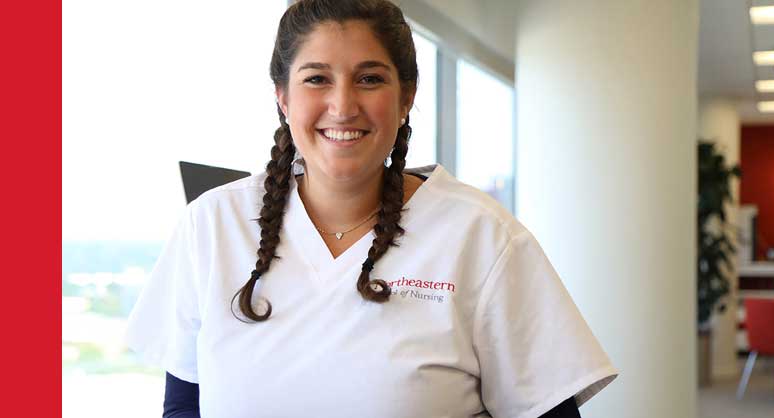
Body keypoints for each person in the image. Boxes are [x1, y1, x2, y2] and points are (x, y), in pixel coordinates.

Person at [125, 1, 617, 417]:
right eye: (317, 78)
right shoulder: (212, 225)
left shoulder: (483, 238)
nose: (342, 106)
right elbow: (184, 408)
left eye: (369, 79)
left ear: (406, 97)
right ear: (282, 97)